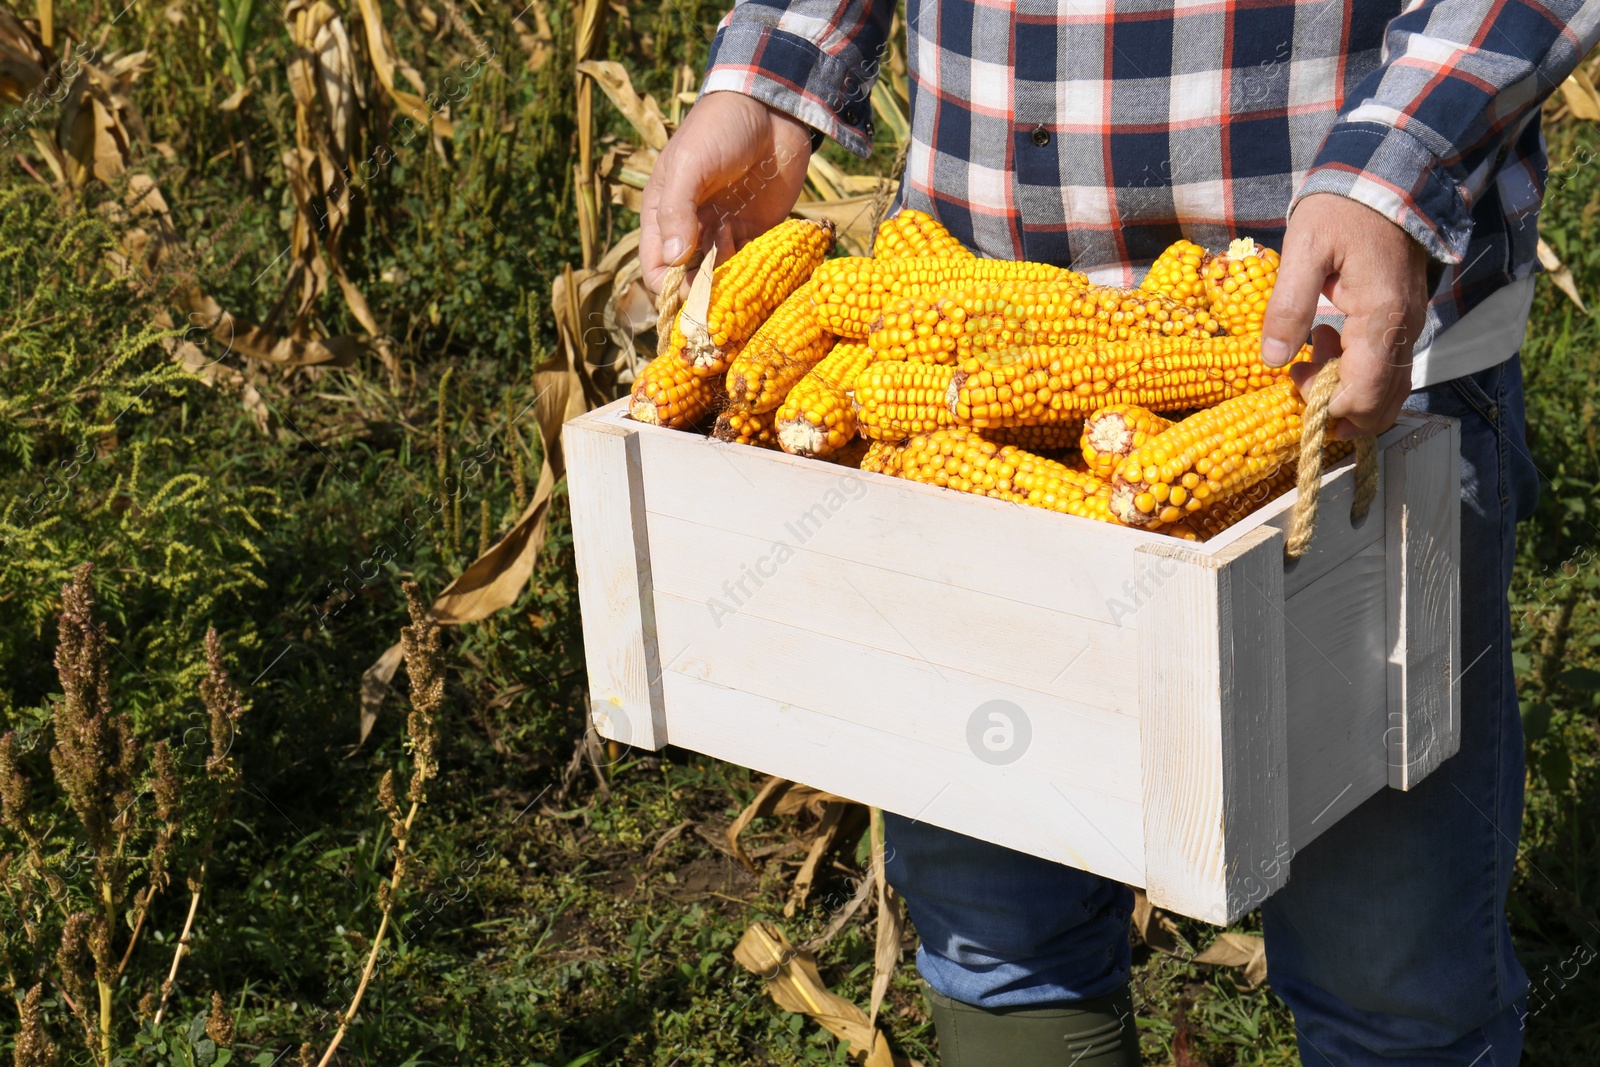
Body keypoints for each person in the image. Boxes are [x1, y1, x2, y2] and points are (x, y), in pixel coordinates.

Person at [640, 1, 1600, 1062]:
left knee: (1386, 959)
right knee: (996, 925)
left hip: (1346, 342)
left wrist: (1393, 161)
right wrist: (767, 74)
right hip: (966, 331)